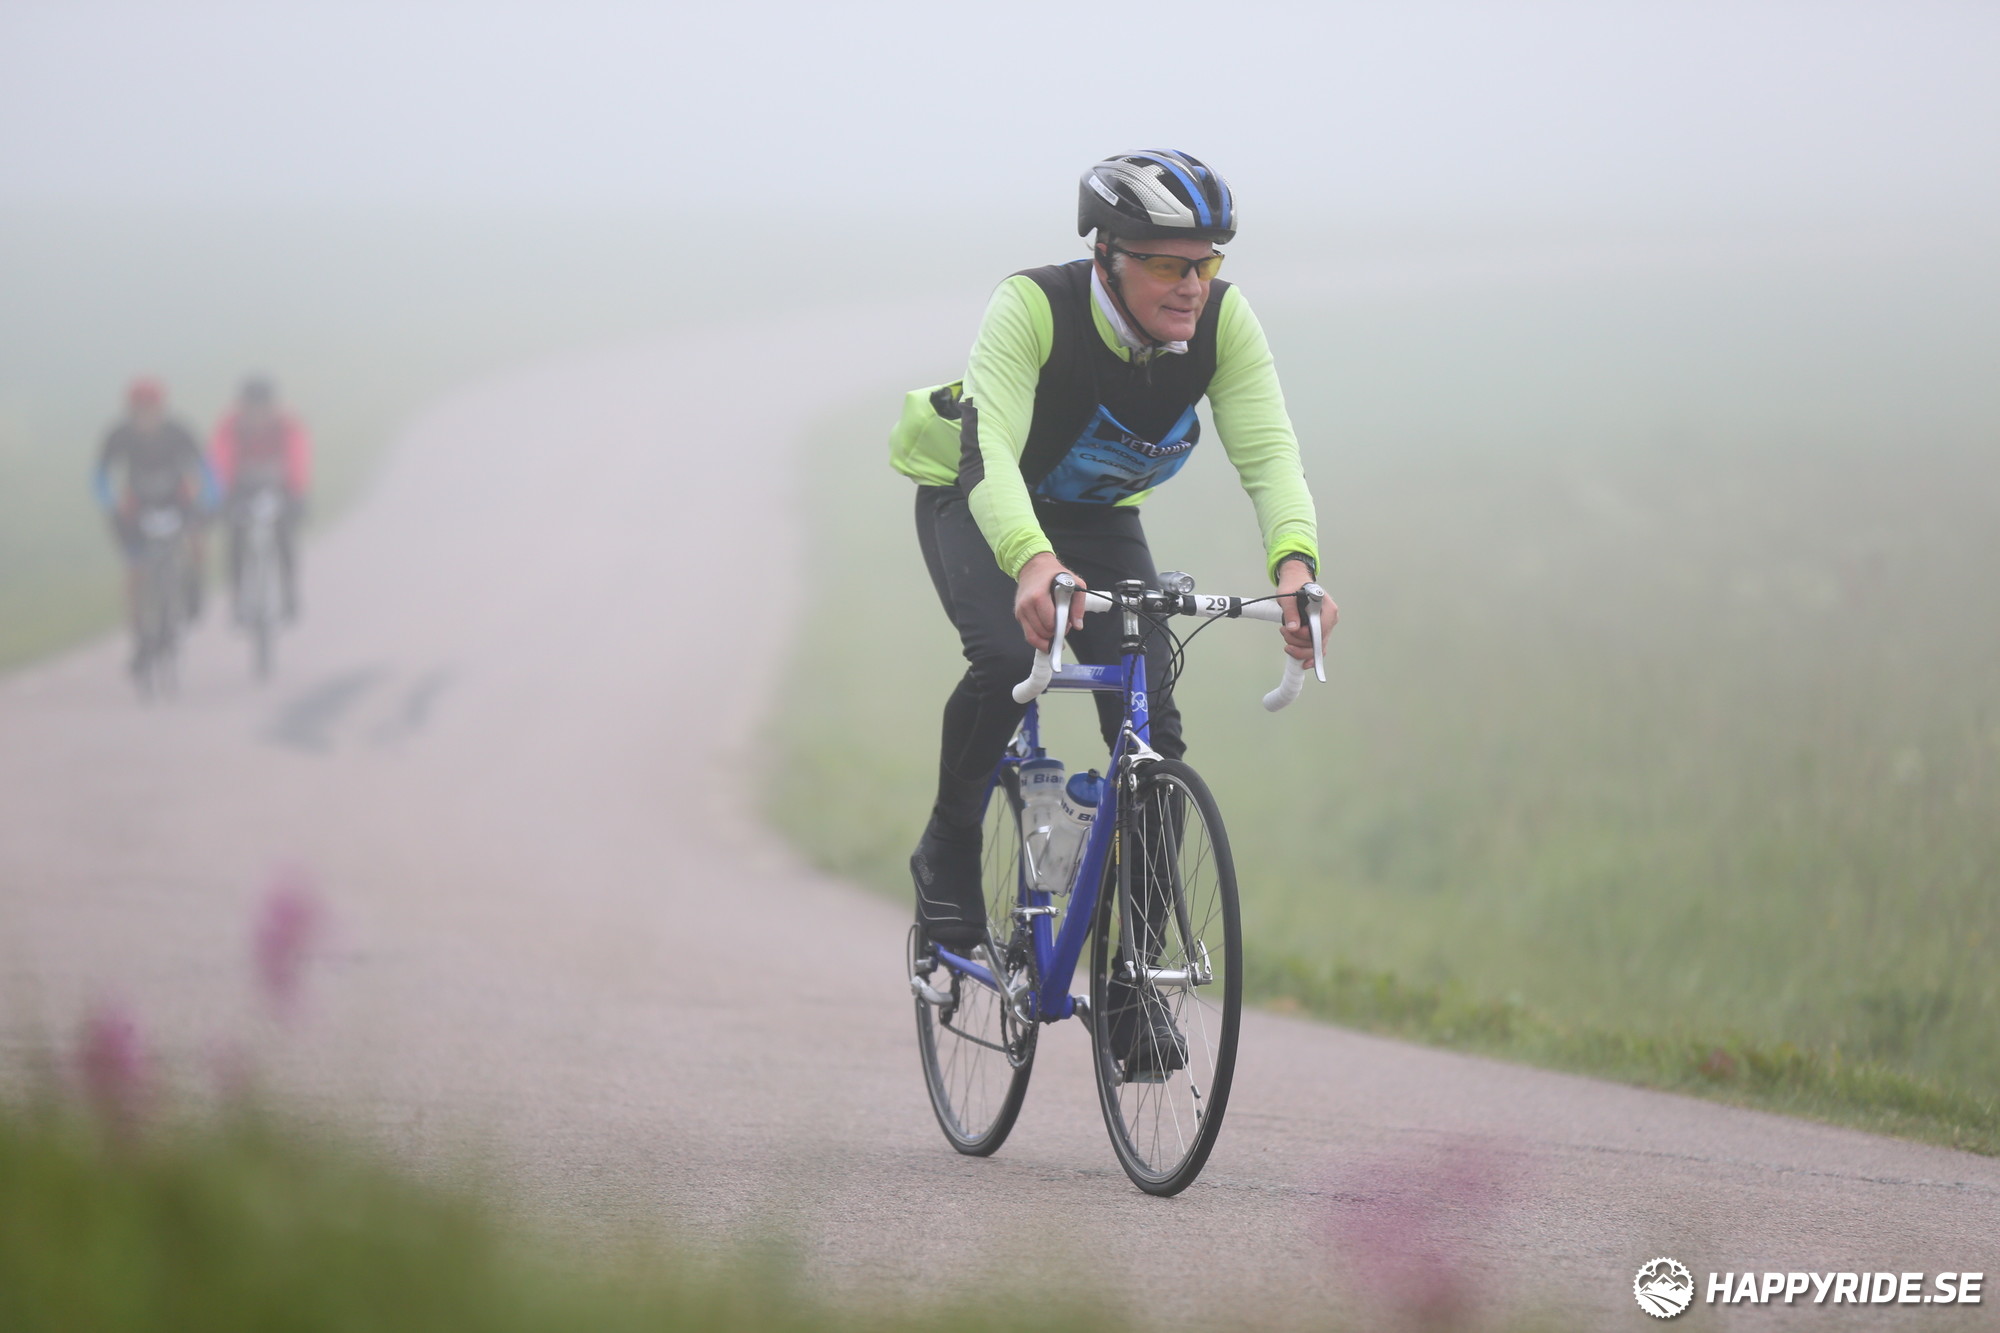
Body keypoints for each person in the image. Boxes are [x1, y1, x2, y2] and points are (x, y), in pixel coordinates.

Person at [889, 150, 1336, 1013]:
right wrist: (1032, 561)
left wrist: (1296, 569)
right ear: (1107, 255)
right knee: (1003, 659)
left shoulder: (1223, 323)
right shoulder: (1033, 306)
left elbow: (1270, 454)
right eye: (1168, 265)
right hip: (979, 496)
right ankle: (946, 845)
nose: (1193, 286)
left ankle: (1133, 985)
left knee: (1152, 737)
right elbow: (991, 456)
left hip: (1095, 517)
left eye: (1207, 263)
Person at [93, 377, 218, 665]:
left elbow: (205, 468)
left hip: (177, 500)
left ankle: (194, 587)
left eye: (151, 409)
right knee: (134, 571)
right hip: (137, 507)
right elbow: (100, 474)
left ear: (161, 408)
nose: (145, 416)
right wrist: (110, 505)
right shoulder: (119, 435)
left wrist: (209, 500)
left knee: (197, 540)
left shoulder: (178, 431)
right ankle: (139, 635)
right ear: (130, 410)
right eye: (139, 410)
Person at [210, 375, 312, 623]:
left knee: (285, 536)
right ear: (242, 405)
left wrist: (297, 493)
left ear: (272, 405)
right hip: (241, 486)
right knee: (235, 541)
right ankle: (237, 599)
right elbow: (220, 458)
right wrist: (222, 495)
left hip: (278, 485)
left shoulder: (287, 423)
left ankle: (289, 592)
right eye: (251, 407)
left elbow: (298, 456)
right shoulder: (230, 425)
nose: (257, 413)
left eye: (262, 407)